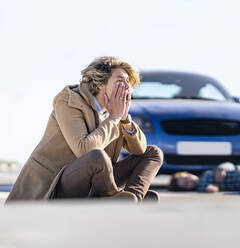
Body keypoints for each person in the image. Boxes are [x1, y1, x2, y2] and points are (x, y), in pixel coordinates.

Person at [6, 56, 163, 204]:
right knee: (96, 156)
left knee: (153, 153)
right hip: (57, 184)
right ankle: (112, 198)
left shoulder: (114, 110)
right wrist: (114, 118)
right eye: (120, 80)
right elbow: (85, 150)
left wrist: (124, 120)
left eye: (128, 82)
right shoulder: (69, 101)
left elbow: (139, 149)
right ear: (100, 83)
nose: (126, 86)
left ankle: (133, 197)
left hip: (95, 181)